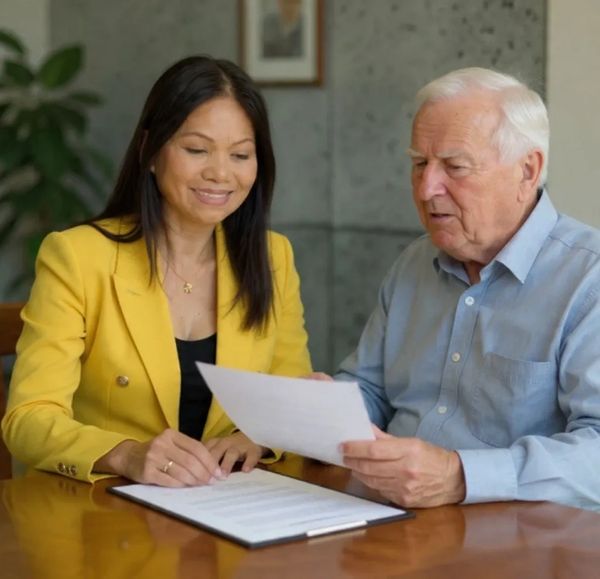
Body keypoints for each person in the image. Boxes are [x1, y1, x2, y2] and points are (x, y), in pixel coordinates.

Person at [2, 56, 312, 486]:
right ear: (150, 151)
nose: (221, 173)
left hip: (230, 510)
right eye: (196, 149)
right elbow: (28, 419)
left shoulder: (272, 257)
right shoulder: (77, 256)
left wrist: (255, 440)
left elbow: (289, 395)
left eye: (240, 154)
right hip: (108, 516)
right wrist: (125, 455)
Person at [320, 67, 600, 509]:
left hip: (517, 541)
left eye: (455, 166)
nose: (428, 189)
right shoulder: (413, 262)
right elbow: (370, 389)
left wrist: (459, 477)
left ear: (528, 170)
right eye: (418, 164)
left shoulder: (589, 279)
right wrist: (322, 410)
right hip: (383, 516)